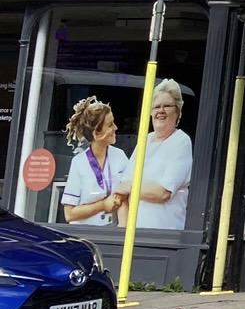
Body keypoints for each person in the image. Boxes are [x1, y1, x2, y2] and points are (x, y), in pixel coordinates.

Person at [118, 80, 193, 231]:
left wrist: (130, 187)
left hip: (162, 234)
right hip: (132, 233)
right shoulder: (145, 140)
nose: (161, 111)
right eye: (157, 106)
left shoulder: (181, 141)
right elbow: (121, 192)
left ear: (177, 111)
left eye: (167, 106)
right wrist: (123, 229)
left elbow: (162, 192)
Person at [59, 96, 129, 226]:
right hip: (85, 234)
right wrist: (103, 205)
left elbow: (126, 196)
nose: (115, 127)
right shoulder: (78, 163)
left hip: (113, 233)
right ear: (97, 134)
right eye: (110, 125)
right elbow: (69, 214)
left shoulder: (120, 156)